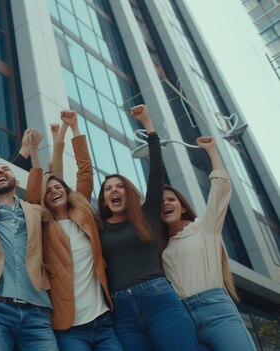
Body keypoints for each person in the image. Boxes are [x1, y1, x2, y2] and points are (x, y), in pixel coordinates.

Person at [97, 104, 197, 351]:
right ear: (104, 199)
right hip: (122, 313)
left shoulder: (147, 214)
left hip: (159, 301)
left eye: (119, 186)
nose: (113, 191)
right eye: (108, 188)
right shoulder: (98, 228)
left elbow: (155, 172)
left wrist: (148, 124)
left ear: (128, 192)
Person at [160, 136, 255, 350]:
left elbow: (220, 190)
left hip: (216, 312)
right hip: (182, 319)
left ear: (182, 207)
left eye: (171, 199)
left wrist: (212, 151)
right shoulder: (161, 247)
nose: (165, 203)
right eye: (161, 202)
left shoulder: (205, 227)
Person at [38, 110, 122, 350]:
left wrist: (74, 128)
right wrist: (55, 141)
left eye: (58, 187)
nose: (54, 190)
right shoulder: (44, 226)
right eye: (48, 189)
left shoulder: (82, 212)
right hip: (70, 330)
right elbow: (44, 184)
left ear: (67, 190)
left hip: (103, 321)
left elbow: (85, 170)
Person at [0, 125, 58, 351]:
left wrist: (36, 150)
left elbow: (52, 184)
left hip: (37, 311)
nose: (0, 172)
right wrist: (22, 152)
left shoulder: (36, 211)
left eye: (6, 170)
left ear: (17, 182)